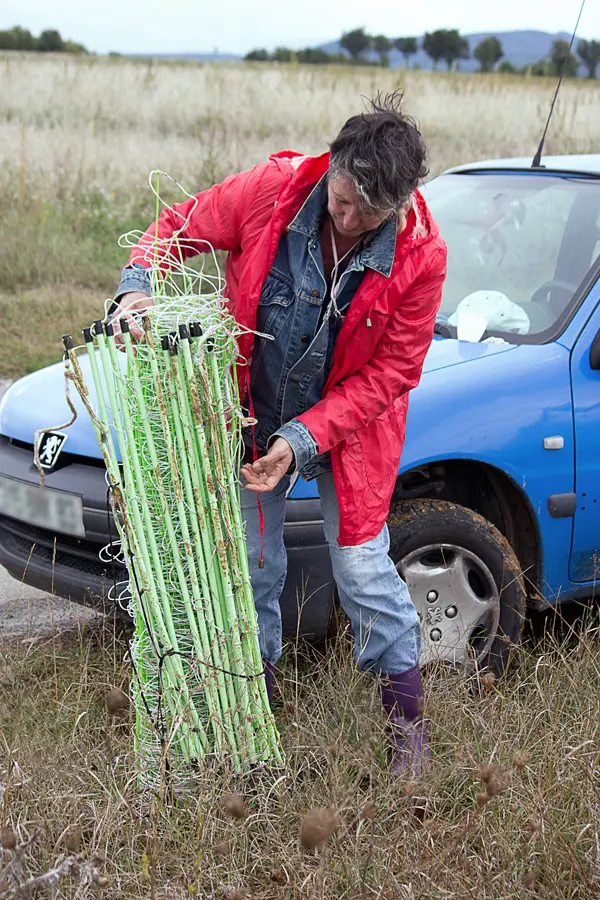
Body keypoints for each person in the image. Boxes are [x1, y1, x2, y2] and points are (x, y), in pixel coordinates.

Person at [111, 92, 447, 775]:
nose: (346, 217)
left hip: (347, 435)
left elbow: (391, 374)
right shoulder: (278, 190)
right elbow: (178, 225)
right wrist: (137, 282)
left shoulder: (422, 257)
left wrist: (303, 439)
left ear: (402, 204)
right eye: (342, 197)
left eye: (366, 213)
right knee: (257, 566)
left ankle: (406, 730)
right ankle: (255, 727)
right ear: (335, 164)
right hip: (251, 420)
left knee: (359, 570)